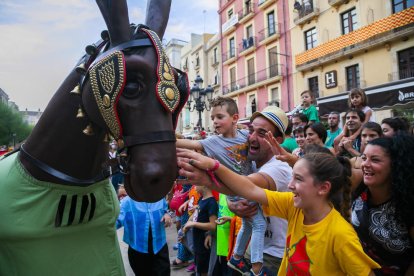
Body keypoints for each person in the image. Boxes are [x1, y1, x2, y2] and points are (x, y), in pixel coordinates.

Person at [178, 146, 380, 275]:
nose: (290, 185)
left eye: (298, 179)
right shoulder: (294, 207)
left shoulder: (341, 235)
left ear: (323, 188)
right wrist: (210, 175)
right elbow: (249, 189)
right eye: (292, 177)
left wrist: (214, 168)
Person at [179, 106, 293, 276]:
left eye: (261, 134)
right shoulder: (252, 162)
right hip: (253, 250)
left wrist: (210, 174)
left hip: (275, 256)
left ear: (277, 140)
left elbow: (246, 186)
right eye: (251, 130)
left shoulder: (280, 168)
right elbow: (237, 190)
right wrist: (233, 206)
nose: (251, 137)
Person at [177, 96, 253, 276]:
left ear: (235, 118)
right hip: (235, 202)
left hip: (254, 193)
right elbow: (184, 143)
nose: (215, 122)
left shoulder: (246, 136)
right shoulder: (212, 142)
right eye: (213, 118)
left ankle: (245, 260)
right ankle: (239, 260)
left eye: (220, 117)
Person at [351, 135, 414, 275]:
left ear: (395, 165)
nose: (365, 164)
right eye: (364, 157)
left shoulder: (408, 205)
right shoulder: (358, 185)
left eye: (375, 160)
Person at [116, 197, 172, 275]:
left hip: (160, 247)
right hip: (138, 250)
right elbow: (116, 222)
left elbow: (165, 209)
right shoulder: (126, 202)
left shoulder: (159, 197)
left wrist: (167, 214)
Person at [183, 185, 218, 276]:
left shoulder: (211, 203)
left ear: (204, 185)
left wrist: (193, 224)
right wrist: (187, 223)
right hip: (197, 240)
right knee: (199, 266)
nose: (195, 188)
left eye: (197, 185)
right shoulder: (201, 199)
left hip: (204, 243)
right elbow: (196, 214)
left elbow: (213, 225)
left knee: (204, 270)